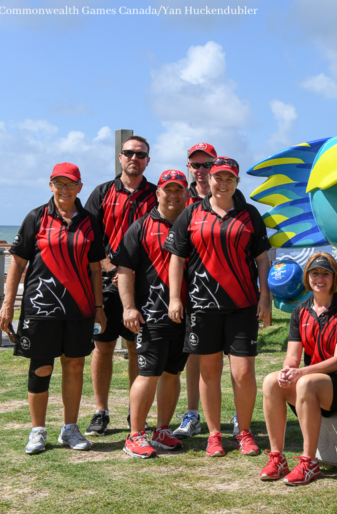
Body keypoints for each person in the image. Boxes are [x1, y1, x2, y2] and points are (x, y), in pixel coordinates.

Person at [165, 156, 272, 458]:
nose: (222, 184)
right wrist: (175, 298)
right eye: (218, 178)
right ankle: (214, 434)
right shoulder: (191, 213)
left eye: (229, 179)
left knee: (243, 373)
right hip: (202, 306)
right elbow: (177, 257)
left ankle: (246, 432)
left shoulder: (249, 214)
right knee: (209, 373)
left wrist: (265, 296)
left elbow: (262, 258)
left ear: (237, 182)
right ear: (208, 179)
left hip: (242, 305)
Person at [0, 163, 106, 454]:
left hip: (80, 307)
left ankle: (70, 429)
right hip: (39, 307)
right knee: (41, 366)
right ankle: (37, 431)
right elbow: (18, 263)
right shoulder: (36, 217)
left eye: (70, 184)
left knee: (74, 365)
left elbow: (95, 269)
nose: (64, 189)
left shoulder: (89, 220)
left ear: (80, 187)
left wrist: (99, 307)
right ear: (50, 186)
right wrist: (8, 304)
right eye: (59, 184)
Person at [175, 142, 252, 439]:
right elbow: (174, 251)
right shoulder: (181, 197)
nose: (202, 169)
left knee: (239, 366)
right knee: (199, 358)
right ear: (190, 168)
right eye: (196, 165)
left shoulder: (239, 203)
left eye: (207, 164)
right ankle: (196, 416)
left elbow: (256, 253)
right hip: (195, 293)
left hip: (235, 297)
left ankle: (237, 418)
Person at [260, 252, 337, 485]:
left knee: (305, 381)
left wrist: (301, 372)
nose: (320, 278)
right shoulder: (300, 311)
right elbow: (292, 358)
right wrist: (286, 371)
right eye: (315, 273)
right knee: (271, 380)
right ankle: (277, 457)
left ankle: (309, 463)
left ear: (335, 277)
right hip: (312, 383)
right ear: (307, 277)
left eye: (326, 273)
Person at [112, 170, 191, 458]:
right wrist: (129, 307)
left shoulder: (193, 223)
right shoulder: (141, 227)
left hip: (185, 315)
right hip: (151, 315)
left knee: (172, 373)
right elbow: (124, 270)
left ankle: (161, 431)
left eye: (178, 190)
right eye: (167, 190)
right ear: (157, 193)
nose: (173, 195)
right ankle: (134, 435)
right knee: (148, 373)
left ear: (186, 193)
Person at [84, 135, 157, 435]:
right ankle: (100, 412)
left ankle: (133, 411)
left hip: (143, 285)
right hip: (105, 284)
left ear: (147, 160)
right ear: (120, 157)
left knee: (135, 347)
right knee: (102, 347)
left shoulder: (156, 194)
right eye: (128, 153)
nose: (134, 158)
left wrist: (132, 272)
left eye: (140, 154)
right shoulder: (102, 192)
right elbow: (89, 237)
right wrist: (112, 268)